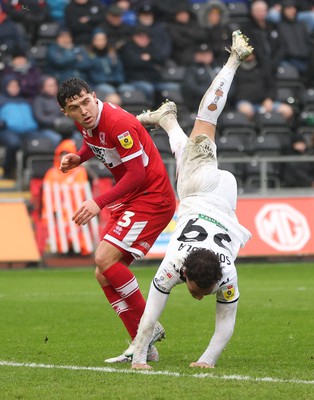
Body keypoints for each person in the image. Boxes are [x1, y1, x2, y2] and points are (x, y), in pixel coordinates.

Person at [128, 30, 253, 369]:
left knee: (185, 154)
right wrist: (139, 357)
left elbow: (224, 321)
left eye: (202, 292)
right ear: (186, 272)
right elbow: (152, 311)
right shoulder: (175, 264)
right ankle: (233, 60)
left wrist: (206, 361)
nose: (198, 297)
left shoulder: (223, 273)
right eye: (199, 291)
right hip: (201, 189)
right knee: (206, 120)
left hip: (224, 200)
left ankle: (166, 119)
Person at [56, 76, 176, 362]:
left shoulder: (117, 122)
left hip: (152, 197)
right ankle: (143, 344)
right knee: (103, 271)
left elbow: (137, 174)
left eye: (86, 102)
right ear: (66, 112)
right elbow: (94, 142)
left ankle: (148, 327)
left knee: (104, 259)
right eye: (75, 107)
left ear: (94, 96)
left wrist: (98, 202)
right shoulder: (86, 122)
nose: (84, 110)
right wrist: (79, 158)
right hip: (131, 198)